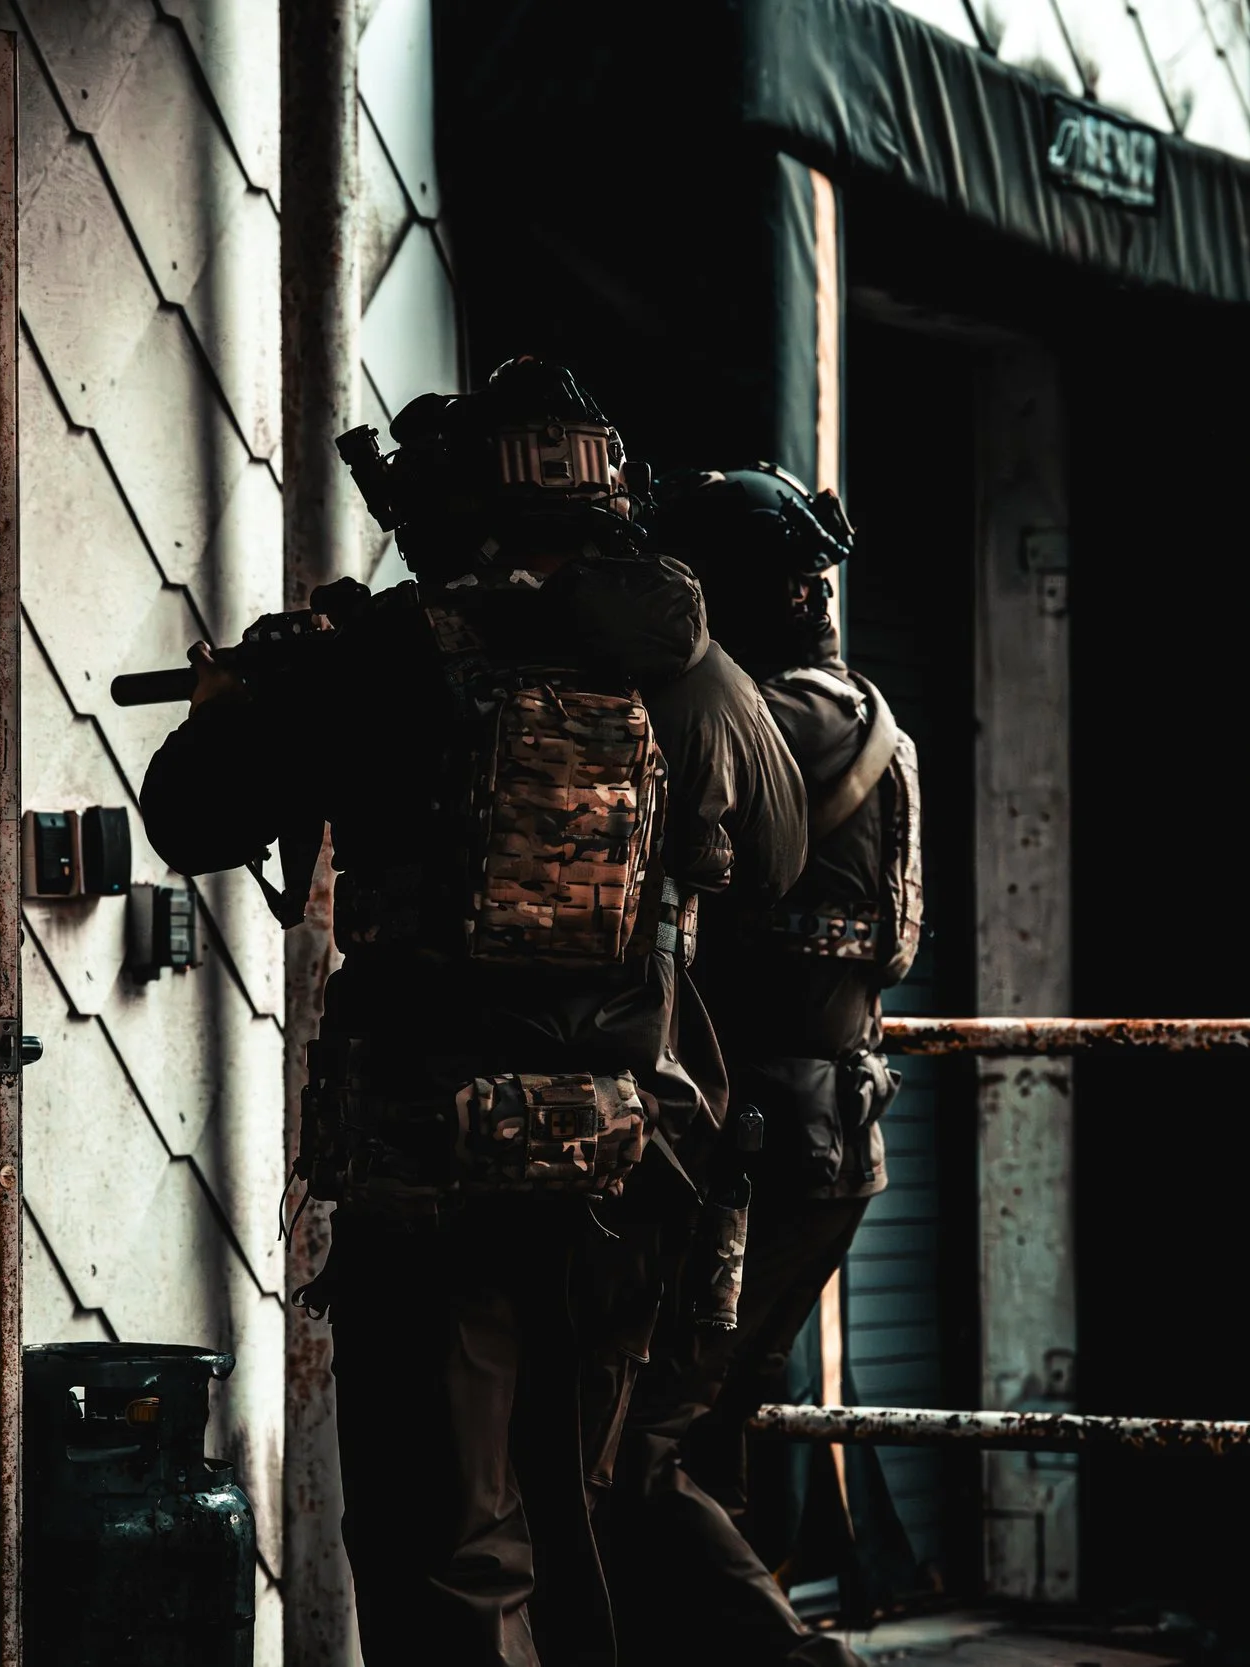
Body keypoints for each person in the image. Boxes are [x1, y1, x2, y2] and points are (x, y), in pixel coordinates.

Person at [138, 361, 809, 1666]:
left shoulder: (382, 658)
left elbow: (186, 811)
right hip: (632, 1158)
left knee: (441, 1530)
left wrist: (249, 691)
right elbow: (777, 860)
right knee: (589, 1511)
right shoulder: (700, 668)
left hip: (433, 1166)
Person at [601, 467, 922, 1666]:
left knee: (640, 1449)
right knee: (709, 1433)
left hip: (763, 1148)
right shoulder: (851, 707)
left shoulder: (782, 719)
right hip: (817, 1135)